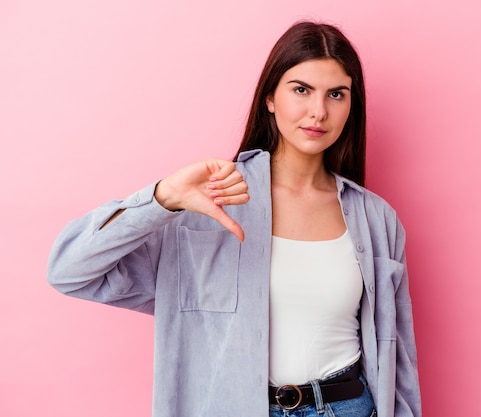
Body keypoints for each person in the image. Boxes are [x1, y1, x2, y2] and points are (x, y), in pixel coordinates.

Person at [48, 21, 422, 417]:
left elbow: (398, 359)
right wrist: (162, 199)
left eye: (336, 94)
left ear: (351, 104)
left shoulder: (376, 219)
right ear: (270, 98)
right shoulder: (210, 201)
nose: (319, 111)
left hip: (347, 407)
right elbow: (69, 270)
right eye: (301, 89)